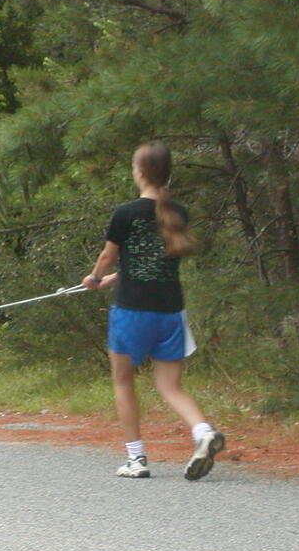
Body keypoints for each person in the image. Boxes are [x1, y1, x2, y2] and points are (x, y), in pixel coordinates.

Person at [81, 141, 225, 480]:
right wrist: (114, 278)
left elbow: (107, 256)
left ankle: (136, 459)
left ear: (140, 172)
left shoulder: (125, 213)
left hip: (132, 312)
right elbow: (151, 262)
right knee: (171, 387)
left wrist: (94, 277)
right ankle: (203, 433)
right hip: (170, 312)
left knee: (123, 382)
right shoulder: (178, 212)